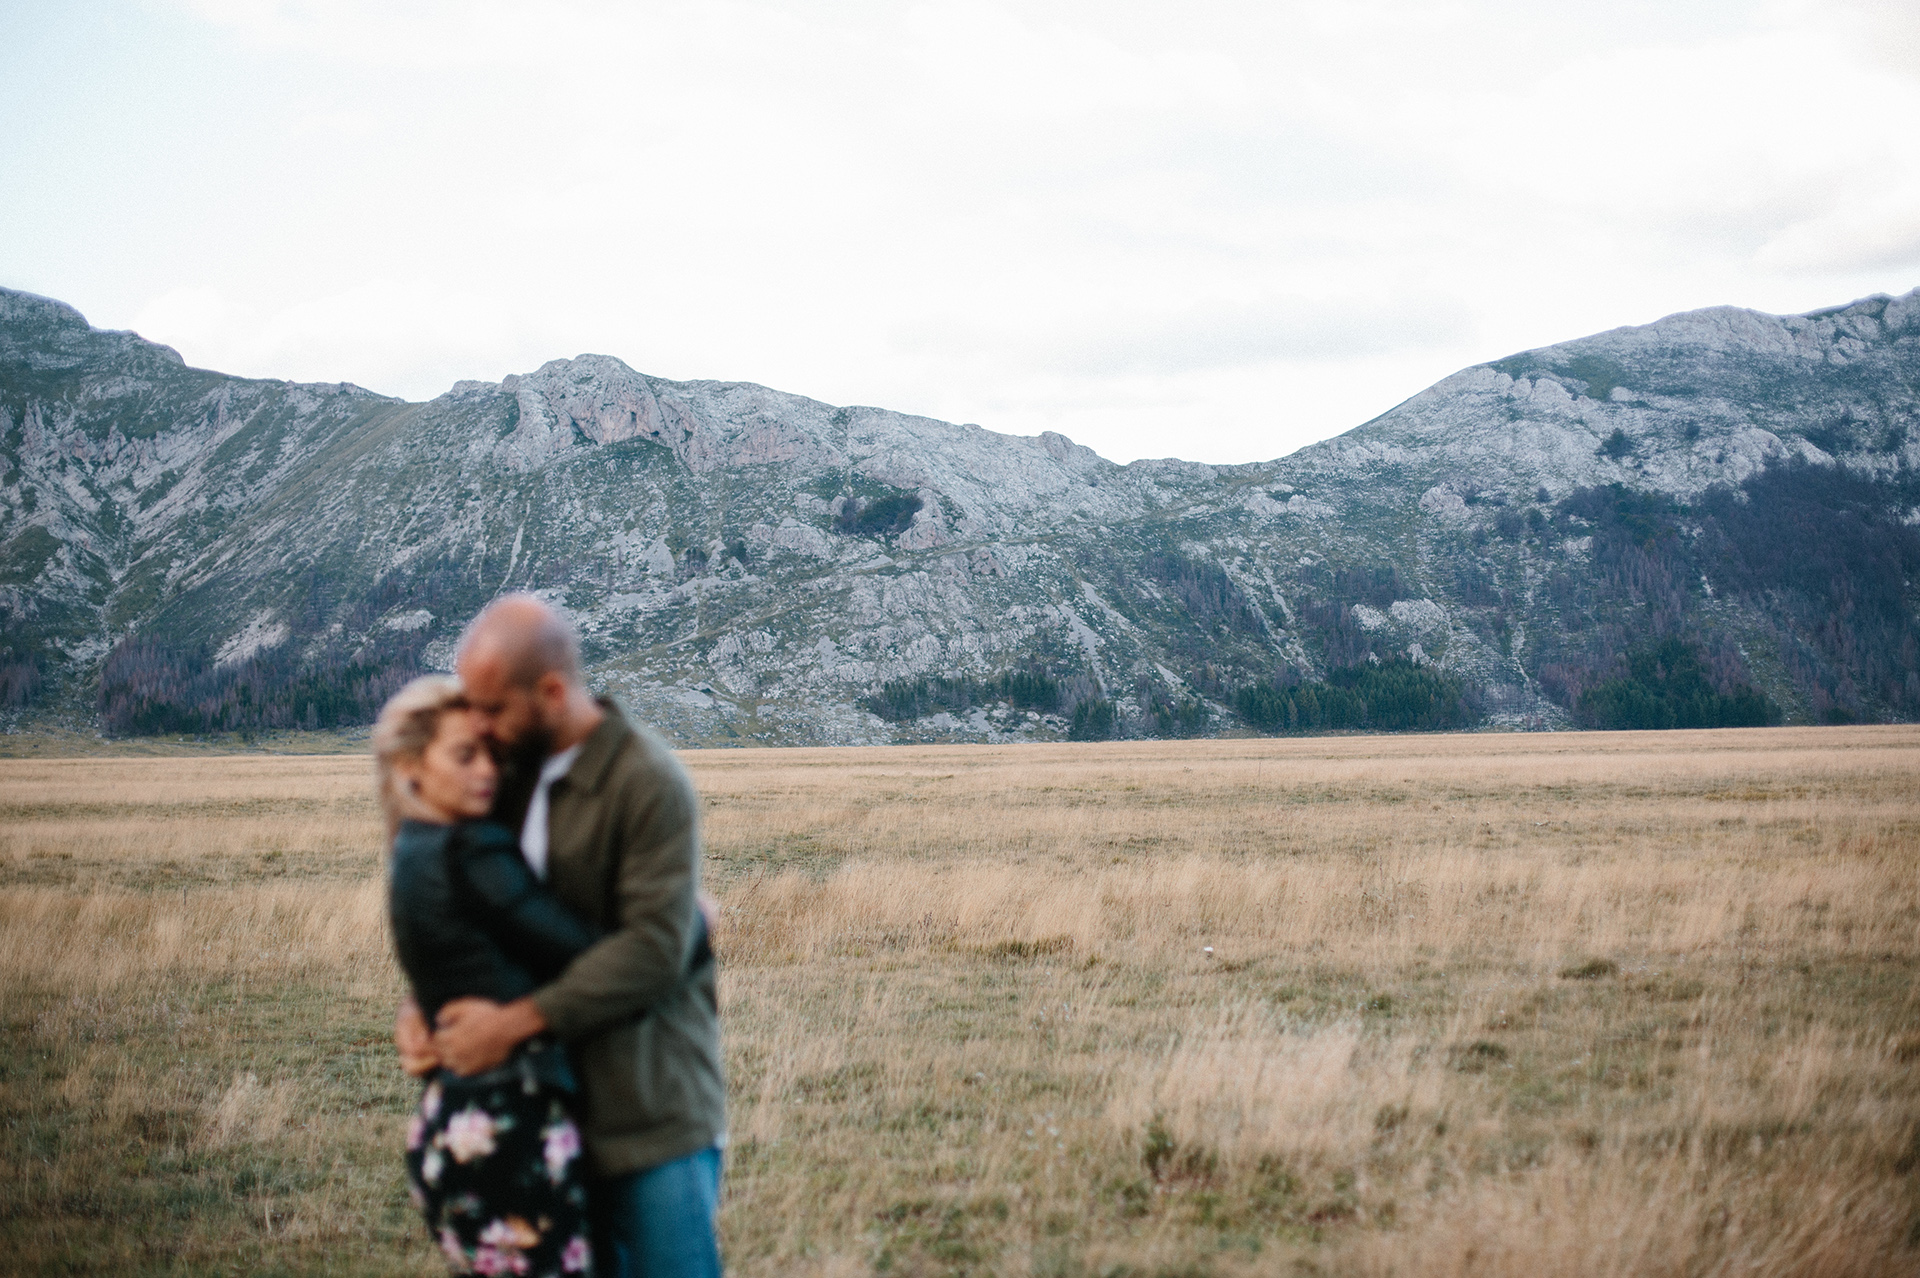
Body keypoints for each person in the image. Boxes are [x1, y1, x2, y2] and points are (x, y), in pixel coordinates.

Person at [396, 595, 726, 1278]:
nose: (478, 728)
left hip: (649, 1110)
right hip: (544, 1117)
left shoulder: (648, 782)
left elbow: (652, 952)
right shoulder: (501, 776)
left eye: (491, 708)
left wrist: (511, 1025)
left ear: (549, 692)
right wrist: (420, 1008)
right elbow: (474, 911)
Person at [376, 676, 600, 1276]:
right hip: (510, 1125)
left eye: (492, 755)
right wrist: (685, 919)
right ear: (411, 765)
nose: (487, 771)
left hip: (448, 1120)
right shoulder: (470, 851)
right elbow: (581, 951)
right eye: (464, 754)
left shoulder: (410, 850)